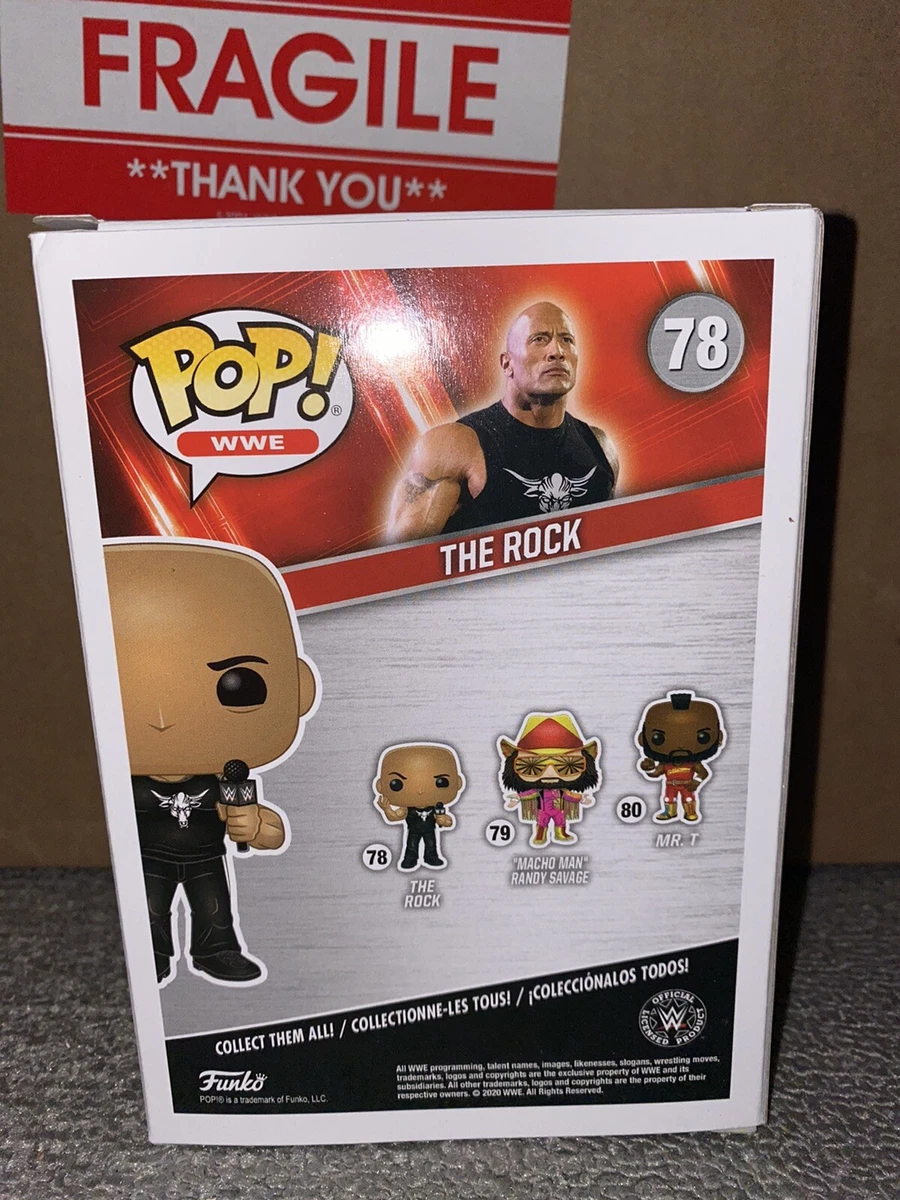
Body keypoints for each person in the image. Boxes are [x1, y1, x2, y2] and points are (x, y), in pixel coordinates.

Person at [104, 540, 317, 985]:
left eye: (238, 683)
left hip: (207, 856)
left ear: (300, 689)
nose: (161, 718)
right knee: (149, 912)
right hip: (148, 859)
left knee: (214, 909)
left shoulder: (224, 778)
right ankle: (150, 952)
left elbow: (272, 833)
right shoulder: (124, 784)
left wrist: (254, 826)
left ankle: (216, 949)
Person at [388, 301, 618, 540]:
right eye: (539, 339)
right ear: (507, 364)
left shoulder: (600, 446)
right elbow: (403, 555)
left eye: (567, 340)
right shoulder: (454, 445)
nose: (557, 351)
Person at [498, 712, 601, 848]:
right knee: (542, 823)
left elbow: (569, 795)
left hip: (559, 811)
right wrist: (517, 798)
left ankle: (561, 834)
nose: (550, 773)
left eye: (568, 766)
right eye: (531, 766)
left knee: (561, 822)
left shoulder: (562, 791)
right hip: (543, 811)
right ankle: (540, 836)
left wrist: (582, 798)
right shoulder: (538, 791)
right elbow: (530, 794)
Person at [636, 691, 726, 824]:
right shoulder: (665, 764)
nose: (680, 746)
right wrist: (648, 768)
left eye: (702, 737)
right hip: (670, 786)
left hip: (687, 786)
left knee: (688, 799)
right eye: (658, 738)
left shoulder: (693, 764)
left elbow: (704, 773)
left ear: (719, 738)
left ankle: (690, 812)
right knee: (668, 799)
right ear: (642, 739)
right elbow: (655, 774)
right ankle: (670, 812)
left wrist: (696, 781)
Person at [373, 743, 464, 871]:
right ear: (380, 786)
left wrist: (444, 820)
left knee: (431, 845)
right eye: (397, 783)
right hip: (413, 830)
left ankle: (431, 857)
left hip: (430, 830)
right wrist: (387, 809)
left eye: (441, 782)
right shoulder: (406, 807)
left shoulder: (437, 807)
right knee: (411, 846)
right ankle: (410, 858)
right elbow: (395, 817)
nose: (420, 791)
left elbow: (448, 821)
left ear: (458, 783)